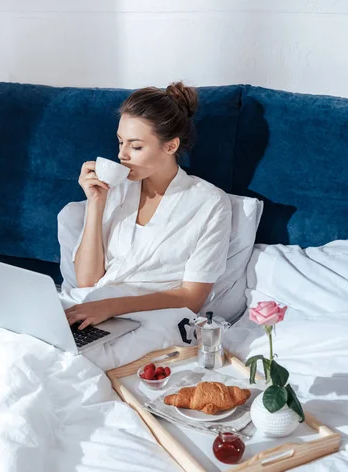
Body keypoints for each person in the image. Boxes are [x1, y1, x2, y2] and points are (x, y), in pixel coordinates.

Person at [58, 82, 232, 330]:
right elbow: (86, 281)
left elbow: (192, 298)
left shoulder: (209, 203)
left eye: (136, 146)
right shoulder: (117, 188)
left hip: (153, 320)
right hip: (92, 308)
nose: (122, 155)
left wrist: (110, 306)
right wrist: (96, 204)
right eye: (120, 142)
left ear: (170, 146)